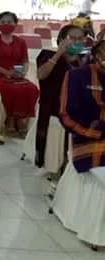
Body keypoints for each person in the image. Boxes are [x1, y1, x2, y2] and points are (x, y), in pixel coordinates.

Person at [35, 25, 85, 171]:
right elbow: (41, 75)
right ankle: (61, 163)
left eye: (80, 39)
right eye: (72, 38)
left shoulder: (85, 59)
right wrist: (59, 53)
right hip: (54, 104)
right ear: (62, 39)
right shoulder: (47, 55)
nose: (77, 42)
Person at [0, 11, 39, 139]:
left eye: (9, 22)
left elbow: (25, 61)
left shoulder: (21, 42)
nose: (6, 24)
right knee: (10, 89)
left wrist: (23, 72)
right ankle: (10, 120)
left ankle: (21, 119)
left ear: (15, 24)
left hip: (17, 75)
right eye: (3, 22)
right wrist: (6, 73)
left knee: (31, 88)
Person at [60, 39, 105, 173]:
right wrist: (93, 132)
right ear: (97, 55)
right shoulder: (78, 76)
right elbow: (66, 115)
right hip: (89, 138)